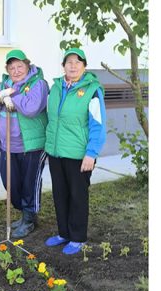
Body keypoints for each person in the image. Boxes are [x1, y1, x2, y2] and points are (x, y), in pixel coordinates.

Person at [44, 48, 107, 255]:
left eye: (77, 62)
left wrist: (91, 153)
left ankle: (78, 237)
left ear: (84, 66)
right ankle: (64, 232)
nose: (73, 65)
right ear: (63, 66)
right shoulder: (55, 88)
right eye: (69, 62)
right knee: (60, 194)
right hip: (56, 152)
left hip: (79, 155)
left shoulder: (92, 90)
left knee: (77, 197)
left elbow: (98, 125)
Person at [0, 49, 49, 239]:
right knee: (10, 184)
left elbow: (31, 108)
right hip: (8, 146)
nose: (16, 71)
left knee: (30, 184)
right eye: (12, 67)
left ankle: (29, 218)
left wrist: (12, 96)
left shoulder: (38, 83)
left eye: (20, 66)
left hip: (31, 146)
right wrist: (0, 98)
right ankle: (25, 213)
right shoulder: (3, 84)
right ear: (7, 69)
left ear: (27, 65)